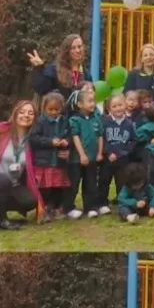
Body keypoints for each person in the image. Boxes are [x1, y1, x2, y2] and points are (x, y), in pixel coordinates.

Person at [0, 99, 42, 230]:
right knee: (2, 182)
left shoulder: (33, 139)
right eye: (22, 112)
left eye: (31, 113)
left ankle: (1, 211)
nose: (26, 115)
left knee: (30, 201)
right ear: (15, 114)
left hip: (15, 183)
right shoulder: (0, 134)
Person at [29, 92, 71, 222]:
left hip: (58, 161)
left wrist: (66, 142)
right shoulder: (40, 122)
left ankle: (56, 208)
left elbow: (69, 135)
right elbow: (33, 139)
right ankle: (44, 209)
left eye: (56, 109)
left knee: (58, 186)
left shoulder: (64, 121)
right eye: (50, 109)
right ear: (44, 108)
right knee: (44, 188)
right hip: (44, 161)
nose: (53, 112)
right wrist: (50, 142)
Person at [64, 85, 102, 219]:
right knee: (74, 184)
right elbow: (75, 137)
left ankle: (90, 207)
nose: (93, 104)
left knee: (91, 183)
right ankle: (69, 208)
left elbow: (99, 136)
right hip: (76, 159)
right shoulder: (74, 120)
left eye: (94, 101)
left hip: (92, 158)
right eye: (90, 101)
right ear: (80, 104)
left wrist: (98, 153)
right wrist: (82, 155)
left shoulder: (96, 119)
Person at [98, 93, 136, 214]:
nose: (118, 108)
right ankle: (102, 203)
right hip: (107, 158)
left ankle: (122, 202)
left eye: (120, 105)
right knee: (104, 180)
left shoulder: (130, 124)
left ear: (125, 105)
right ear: (109, 109)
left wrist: (121, 153)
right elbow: (101, 139)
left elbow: (133, 141)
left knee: (122, 182)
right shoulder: (105, 122)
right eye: (114, 106)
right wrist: (108, 153)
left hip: (123, 159)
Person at [28, 34, 92, 100]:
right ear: (67, 50)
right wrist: (39, 67)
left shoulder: (86, 73)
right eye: (73, 48)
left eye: (79, 46)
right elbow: (41, 89)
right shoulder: (55, 69)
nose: (78, 50)